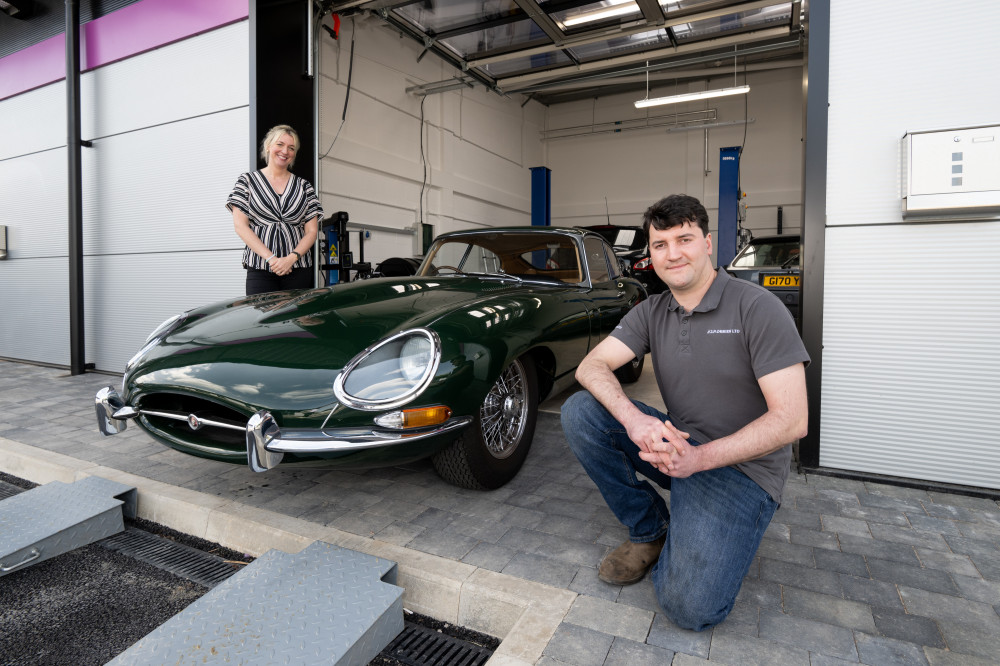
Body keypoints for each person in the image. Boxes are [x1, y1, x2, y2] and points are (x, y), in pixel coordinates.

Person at [561, 194, 809, 631]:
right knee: (583, 412)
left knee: (689, 608)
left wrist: (699, 460)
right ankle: (651, 530)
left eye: (685, 239)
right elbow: (590, 367)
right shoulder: (653, 311)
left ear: (708, 243)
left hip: (743, 472)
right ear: (650, 253)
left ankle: (697, 537)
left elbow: (792, 420)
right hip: (678, 451)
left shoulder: (757, 307)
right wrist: (636, 421)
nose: (673, 254)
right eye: (660, 244)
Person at [227, 124, 324, 295]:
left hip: (298, 268)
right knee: (261, 319)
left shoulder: (304, 186)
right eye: (280, 144)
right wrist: (272, 259)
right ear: (268, 146)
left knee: (295, 319)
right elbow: (241, 226)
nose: (285, 151)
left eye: (291, 148)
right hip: (260, 267)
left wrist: (291, 258)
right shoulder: (247, 182)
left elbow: (312, 231)